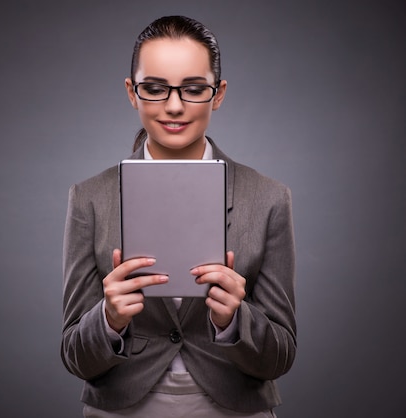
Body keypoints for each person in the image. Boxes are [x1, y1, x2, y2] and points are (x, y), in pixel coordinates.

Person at [61, 15, 296, 417]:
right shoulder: (90, 199)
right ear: (132, 93)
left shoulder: (269, 198)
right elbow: (74, 356)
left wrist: (235, 320)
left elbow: (280, 357)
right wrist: (109, 319)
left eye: (193, 89)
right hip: (121, 408)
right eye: (154, 88)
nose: (173, 106)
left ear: (217, 94)